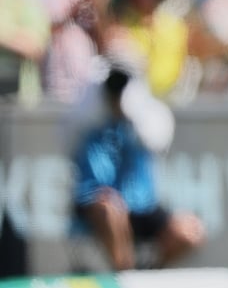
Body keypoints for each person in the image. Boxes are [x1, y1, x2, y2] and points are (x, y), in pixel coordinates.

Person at [71, 64, 205, 271]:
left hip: (143, 208)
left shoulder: (142, 124)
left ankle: (150, 274)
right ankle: (125, 274)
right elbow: (91, 189)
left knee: (191, 230)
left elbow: (156, 139)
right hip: (102, 209)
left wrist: (132, 109)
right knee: (111, 208)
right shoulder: (90, 132)